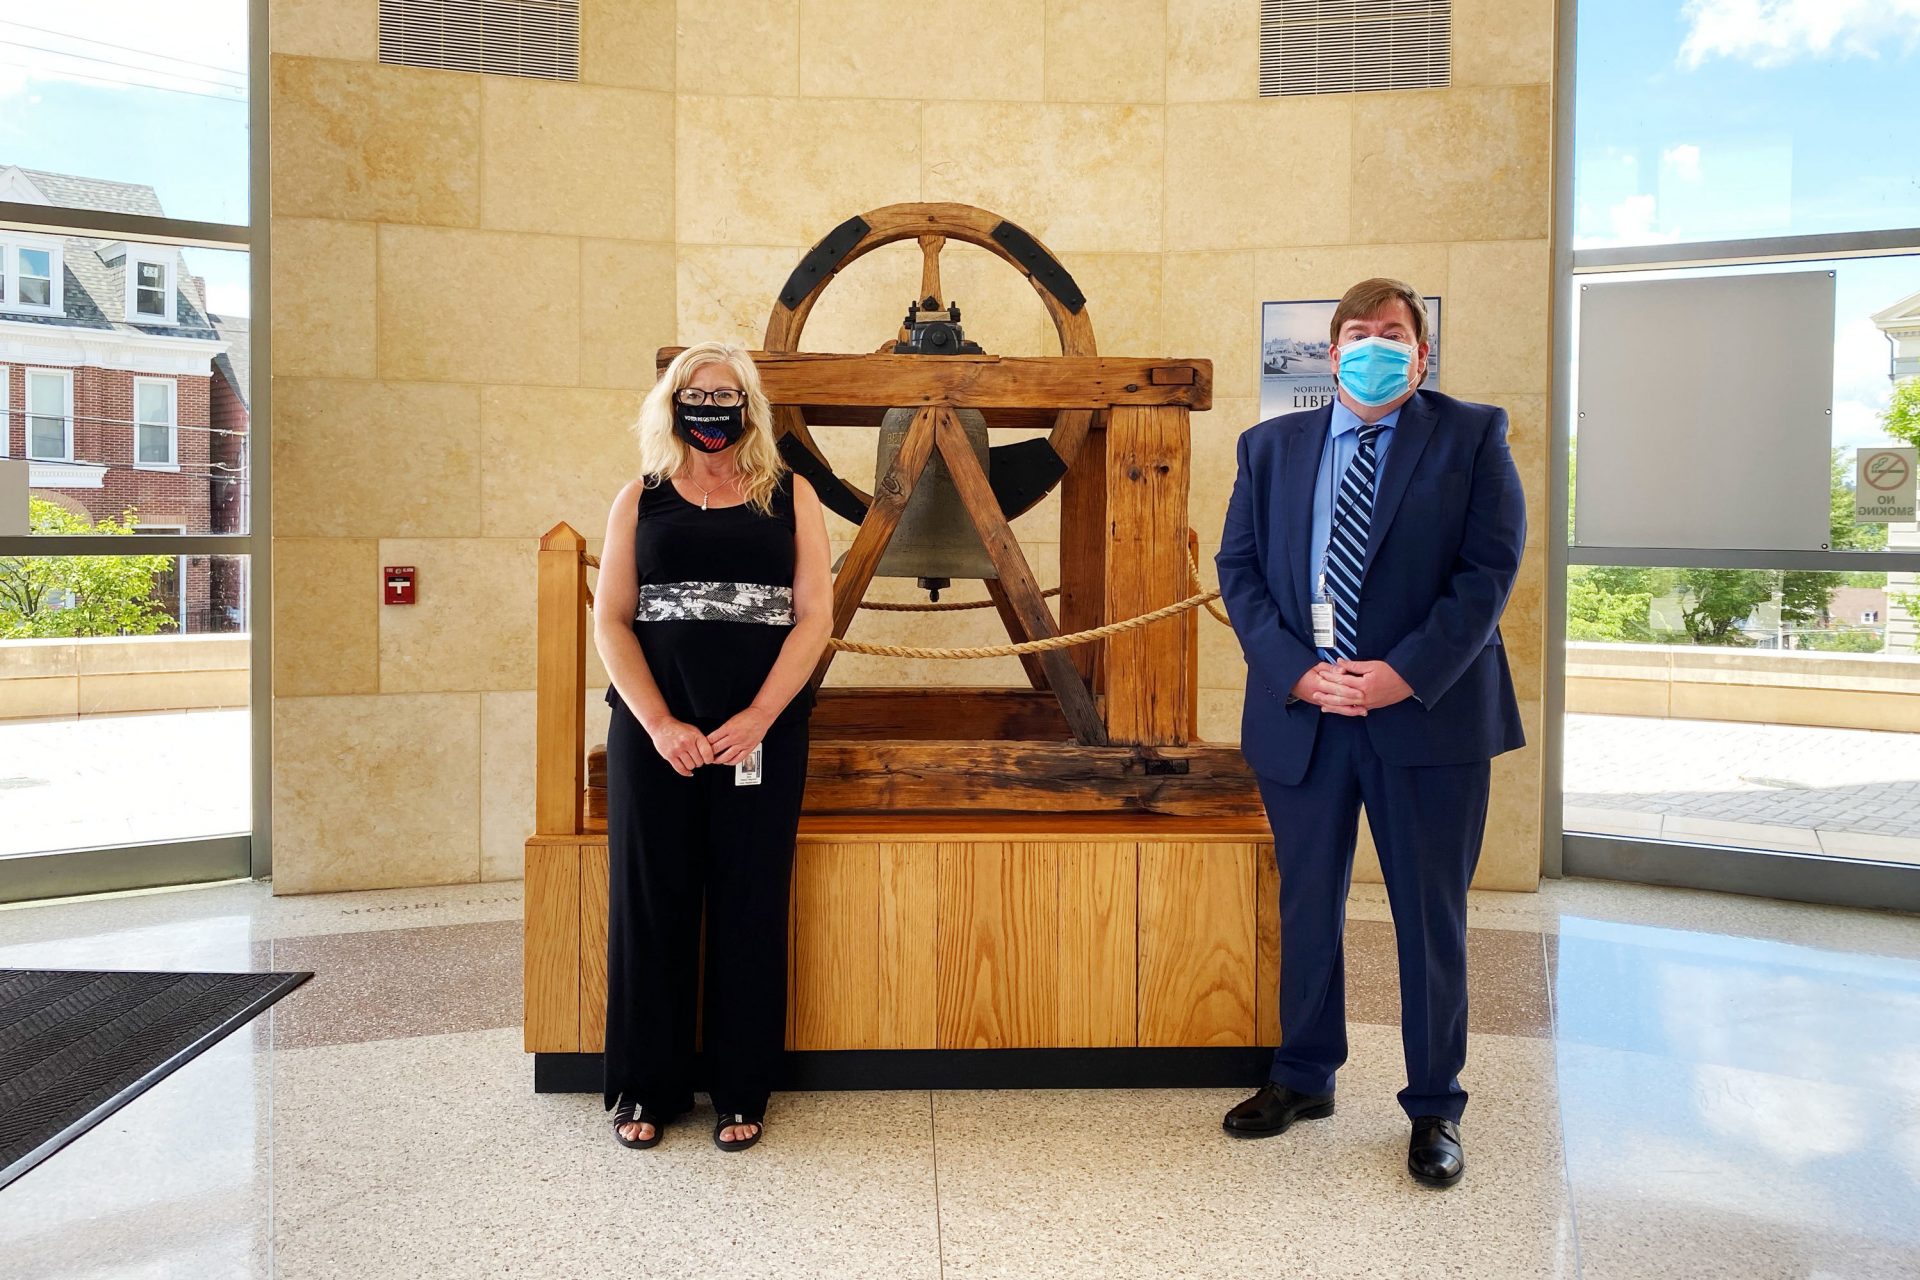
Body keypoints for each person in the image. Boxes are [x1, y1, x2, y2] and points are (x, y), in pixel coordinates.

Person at [1214, 278, 1526, 1187]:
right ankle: (1304, 1075)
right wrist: (1295, 669)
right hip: (1305, 715)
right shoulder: (1269, 447)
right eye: (1358, 332)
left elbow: (1487, 573)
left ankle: (1435, 1106)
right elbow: (1239, 571)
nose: (1375, 345)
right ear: (1333, 351)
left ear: (1421, 355)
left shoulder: (1472, 435)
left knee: (1429, 917)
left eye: (1394, 333)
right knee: (1306, 905)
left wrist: (1402, 675)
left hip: (1425, 720)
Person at [595, 341, 832, 1153]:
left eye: (725, 394)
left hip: (760, 734)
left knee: (748, 903)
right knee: (652, 904)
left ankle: (741, 1087)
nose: (710, 408)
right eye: (695, 394)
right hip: (655, 737)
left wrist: (763, 715)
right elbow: (611, 621)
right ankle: (646, 1086)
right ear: (670, 404)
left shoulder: (793, 497)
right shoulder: (640, 499)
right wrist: (660, 724)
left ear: (749, 407)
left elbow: (814, 619)